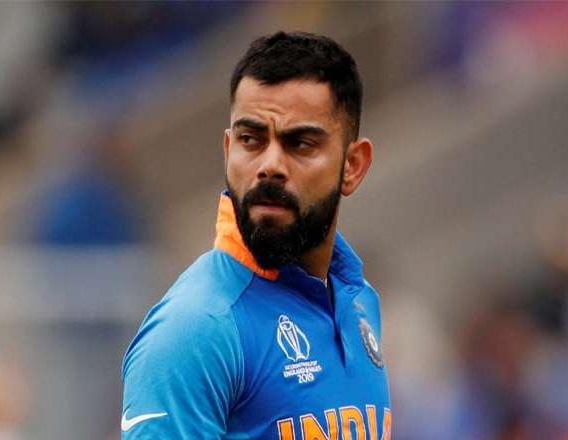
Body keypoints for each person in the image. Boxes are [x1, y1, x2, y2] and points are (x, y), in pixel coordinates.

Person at [121, 31, 391, 439]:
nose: (270, 166)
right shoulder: (196, 331)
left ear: (352, 166)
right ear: (228, 150)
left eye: (300, 144)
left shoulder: (358, 302)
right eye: (251, 140)